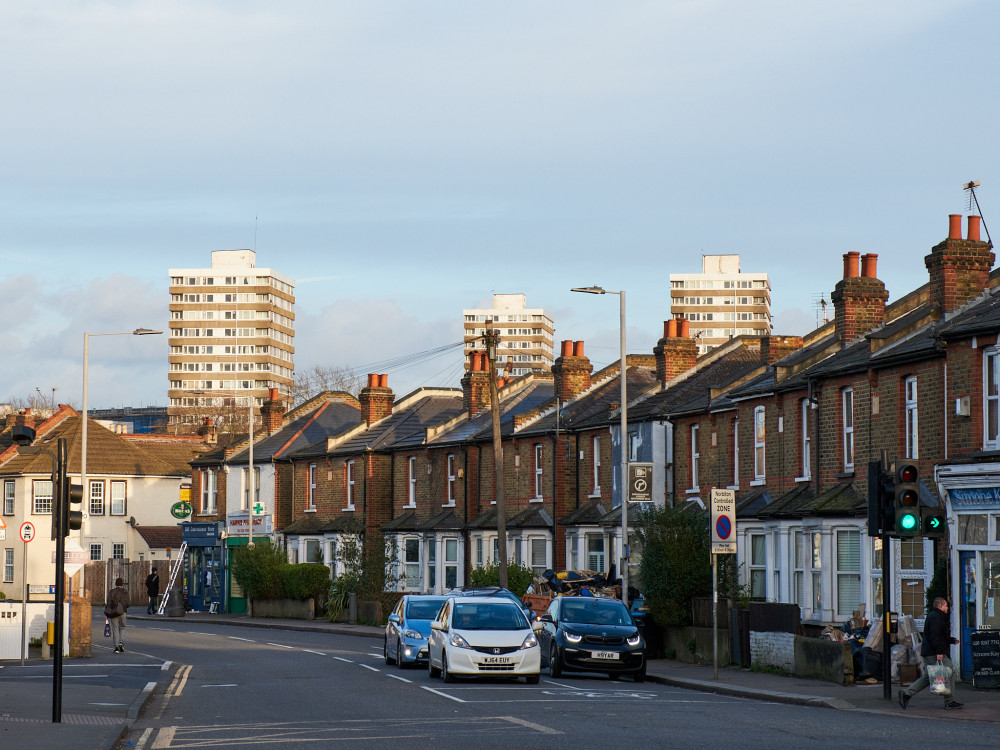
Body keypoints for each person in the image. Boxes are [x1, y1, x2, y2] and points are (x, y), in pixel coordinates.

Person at [899, 597, 963, 710]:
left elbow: (938, 635)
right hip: (934, 653)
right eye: (946, 606)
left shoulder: (933, 616)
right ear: (940, 606)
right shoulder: (937, 617)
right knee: (950, 671)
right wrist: (939, 652)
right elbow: (935, 636)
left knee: (927, 677)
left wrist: (951, 640)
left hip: (928, 651)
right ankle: (949, 701)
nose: (947, 608)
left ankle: (906, 693)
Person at [105, 577, 130, 654]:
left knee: (115, 629)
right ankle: (121, 642)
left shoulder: (112, 592)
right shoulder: (125, 592)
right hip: (123, 612)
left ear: (115, 584)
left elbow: (108, 603)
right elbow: (128, 603)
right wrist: (124, 608)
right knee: (122, 627)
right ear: (122, 584)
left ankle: (116, 647)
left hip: (114, 612)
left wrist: (109, 611)